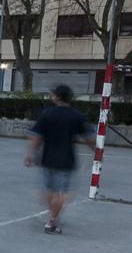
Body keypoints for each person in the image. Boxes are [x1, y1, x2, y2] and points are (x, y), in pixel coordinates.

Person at [26, 84, 90, 234]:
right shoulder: (76, 115)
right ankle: (51, 222)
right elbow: (88, 137)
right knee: (60, 192)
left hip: (47, 159)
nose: (52, 96)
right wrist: (96, 151)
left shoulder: (46, 114)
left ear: (59, 97)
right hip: (66, 160)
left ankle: (52, 215)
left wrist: (30, 154)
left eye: (54, 94)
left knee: (49, 190)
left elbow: (37, 137)